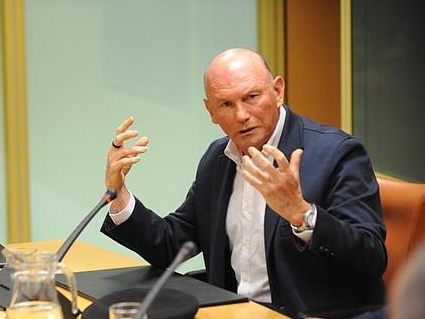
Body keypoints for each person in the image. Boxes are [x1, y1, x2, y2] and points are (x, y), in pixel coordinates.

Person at [102, 48, 387, 317]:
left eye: (251, 97)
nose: (242, 115)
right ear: (210, 111)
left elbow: (371, 258)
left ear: (277, 91)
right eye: (226, 104)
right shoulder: (218, 159)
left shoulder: (337, 153)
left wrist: (301, 213)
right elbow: (171, 245)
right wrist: (119, 193)